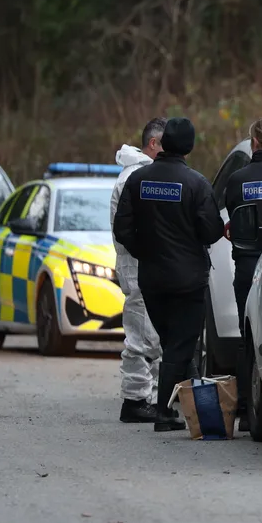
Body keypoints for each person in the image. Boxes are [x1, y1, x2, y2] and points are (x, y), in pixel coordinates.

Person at [113, 117, 224, 432]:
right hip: (188, 280)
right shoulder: (196, 183)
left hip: (152, 278)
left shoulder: (138, 180)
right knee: (181, 343)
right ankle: (164, 412)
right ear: (189, 147)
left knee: (173, 341)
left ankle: (197, 409)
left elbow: (122, 228)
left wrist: (147, 252)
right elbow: (211, 230)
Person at [222, 117, 262, 424]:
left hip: (248, 265)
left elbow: (236, 215)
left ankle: (248, 411)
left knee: (247, 336)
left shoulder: (238, 179)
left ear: (254, 143)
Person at [110, 118, 166, 424]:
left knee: (150, 334)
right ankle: (135, 400)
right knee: (141, 335)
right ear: (153, 143)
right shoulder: (135, 177)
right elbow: (129, 229)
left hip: (140, 263)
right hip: (137, 264)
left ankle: (150, 397)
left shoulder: (140, 174)